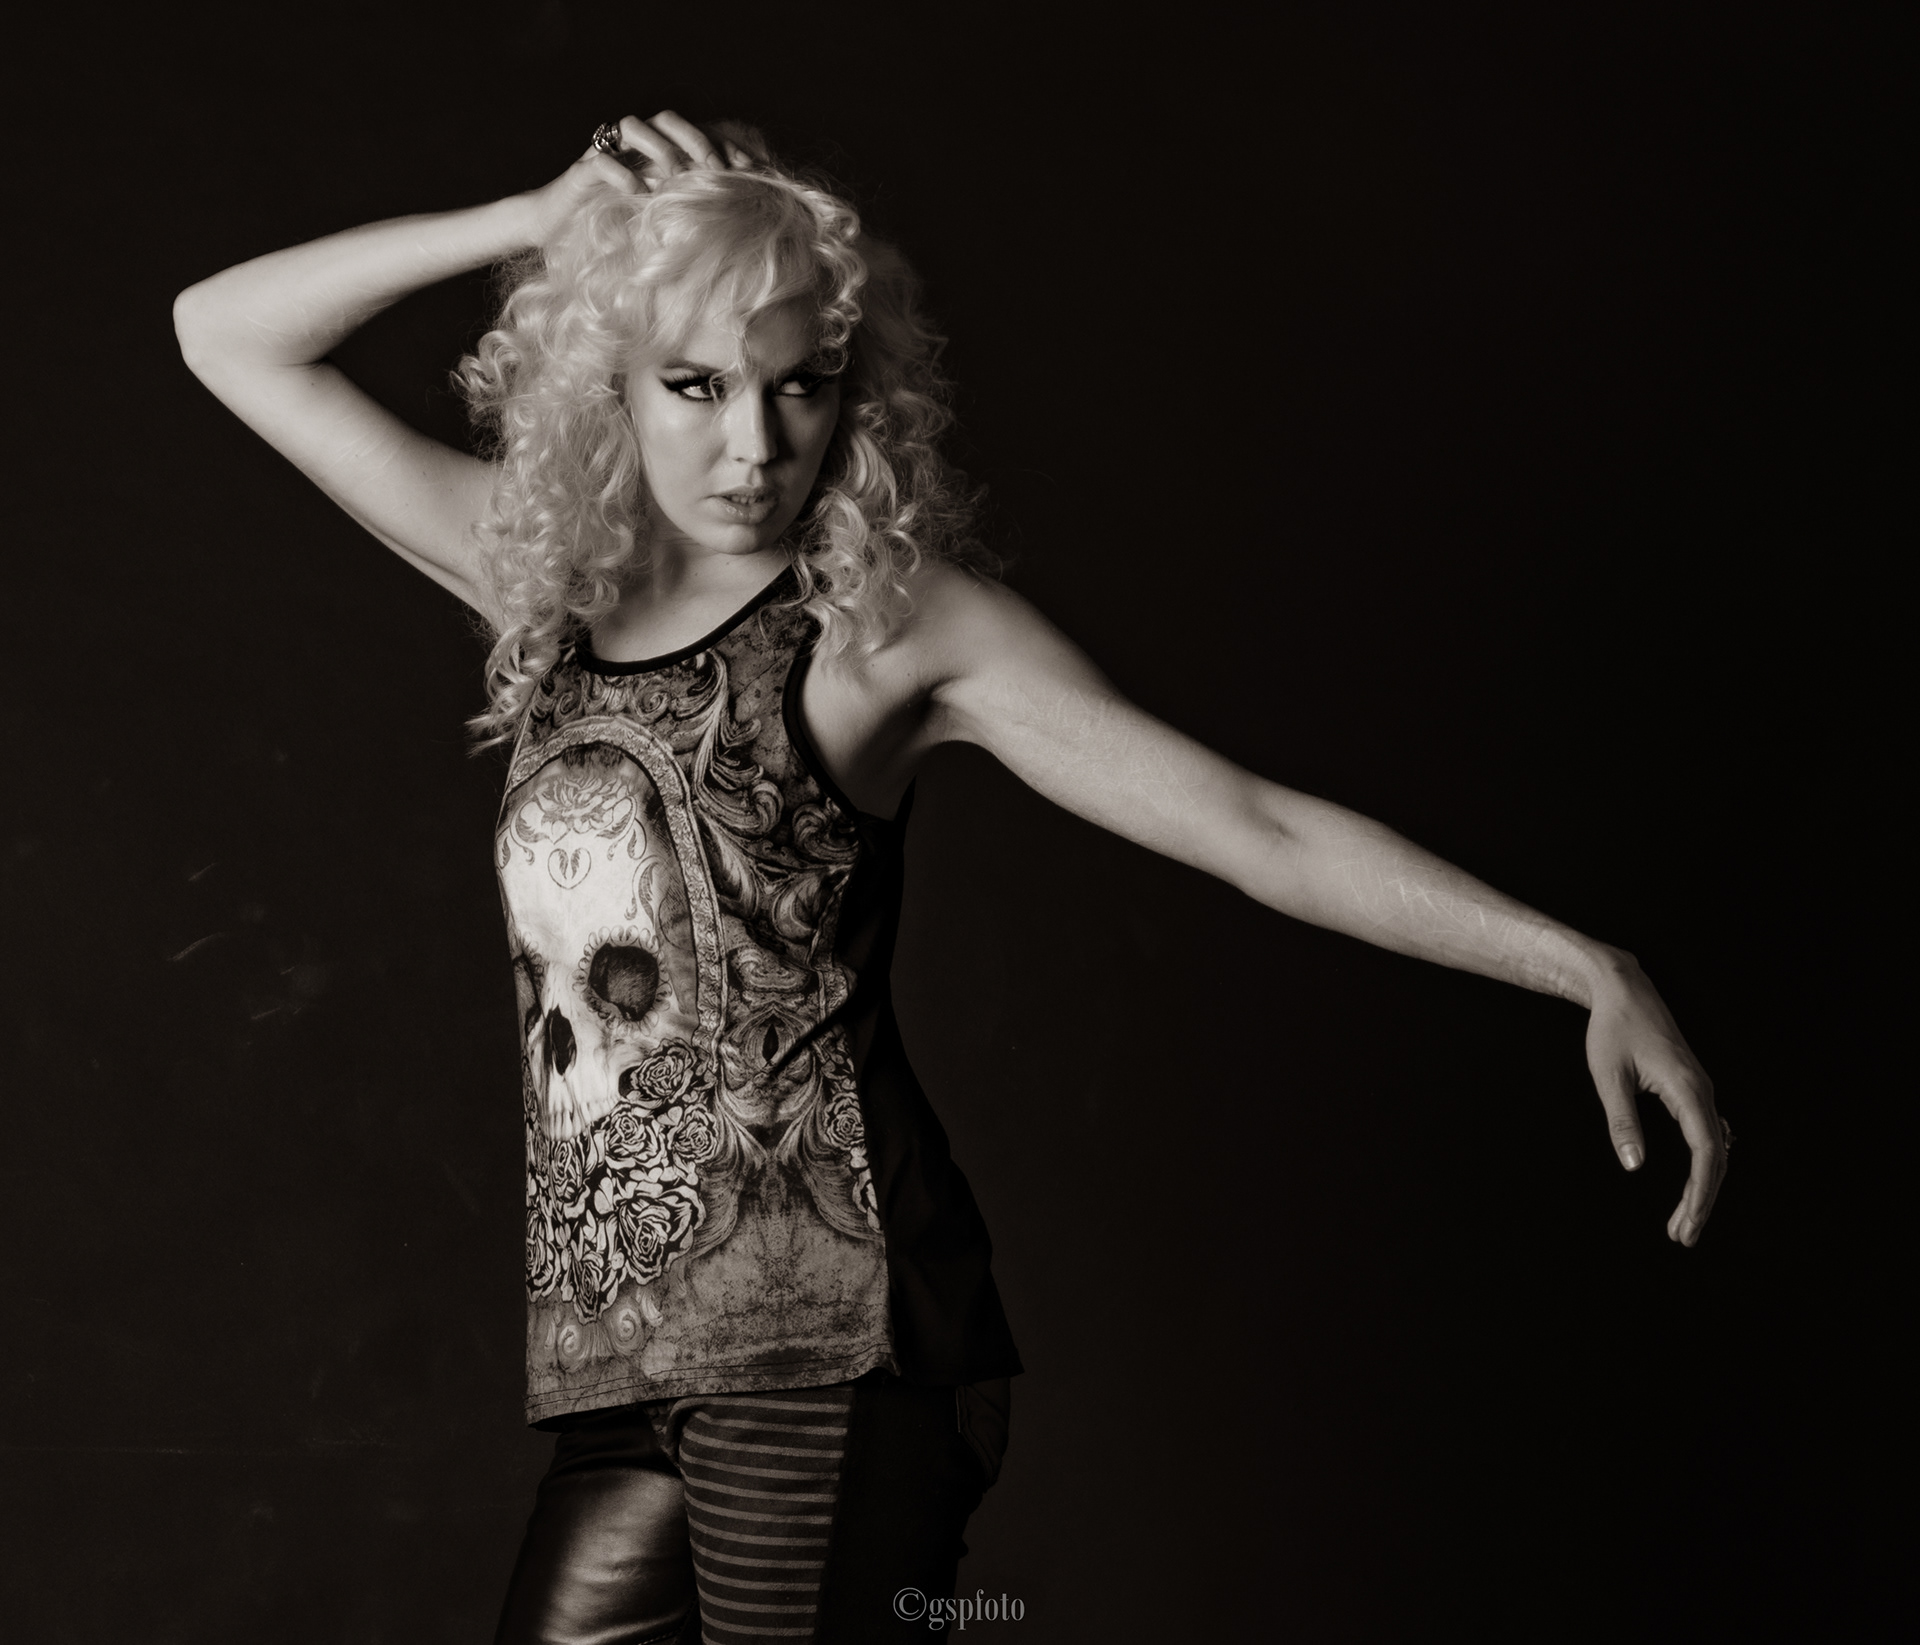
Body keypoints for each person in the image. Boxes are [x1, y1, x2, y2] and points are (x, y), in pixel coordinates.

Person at [173, 112, 1729, 1645]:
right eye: (696, 384)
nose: (754, 445)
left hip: (837, 1335)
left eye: (799, 385)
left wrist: (1579, 962)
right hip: (622, 1361)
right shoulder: (551, 592)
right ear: (612, 382)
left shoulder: (883, 628)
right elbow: (224, 334)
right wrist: (528, 223)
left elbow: (1256, 825)